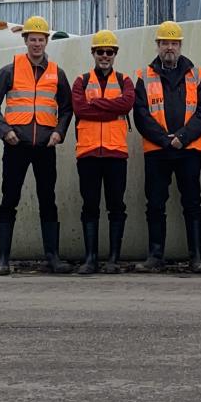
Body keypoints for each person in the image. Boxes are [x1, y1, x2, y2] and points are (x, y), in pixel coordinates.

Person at [0, 15, 74, 275]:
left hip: (45, 146)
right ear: (25, 41)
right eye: (32, 39)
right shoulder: (9, 70)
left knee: (48, 199)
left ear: (47, 42)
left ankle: (53, 258)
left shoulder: (58, 73)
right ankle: (2, 260)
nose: (36, 44)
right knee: (9, 199)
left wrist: (59, 132)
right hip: (16, 145)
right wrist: (5, 131)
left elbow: (67, 109)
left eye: (41, 39)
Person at [133, 21, 201, 273]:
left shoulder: (197, 74)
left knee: (192, 202)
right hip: (158, 151)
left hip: (188, 150)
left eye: (174, 43)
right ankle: (155, 256)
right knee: (155, 203)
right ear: (157, 45)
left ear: (180, 45)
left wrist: (181, 137)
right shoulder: (143, 76)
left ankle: (196, 258)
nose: (170, 47)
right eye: (165, 43)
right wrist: (165, 139)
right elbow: (141, 115)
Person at [72, 29, 135, 274]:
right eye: (100, 51)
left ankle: (113, 260)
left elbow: (127, 103)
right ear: (93, 53)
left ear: (115, 54)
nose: (105, 56)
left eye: (109, 52)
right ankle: (90, 259)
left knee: (116, 205)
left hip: (115, 152)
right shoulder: (81, 80)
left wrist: (95, 104)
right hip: (88, 152)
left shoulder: (124, 80)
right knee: (90, 205)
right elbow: (79, 108)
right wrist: (111, 110)